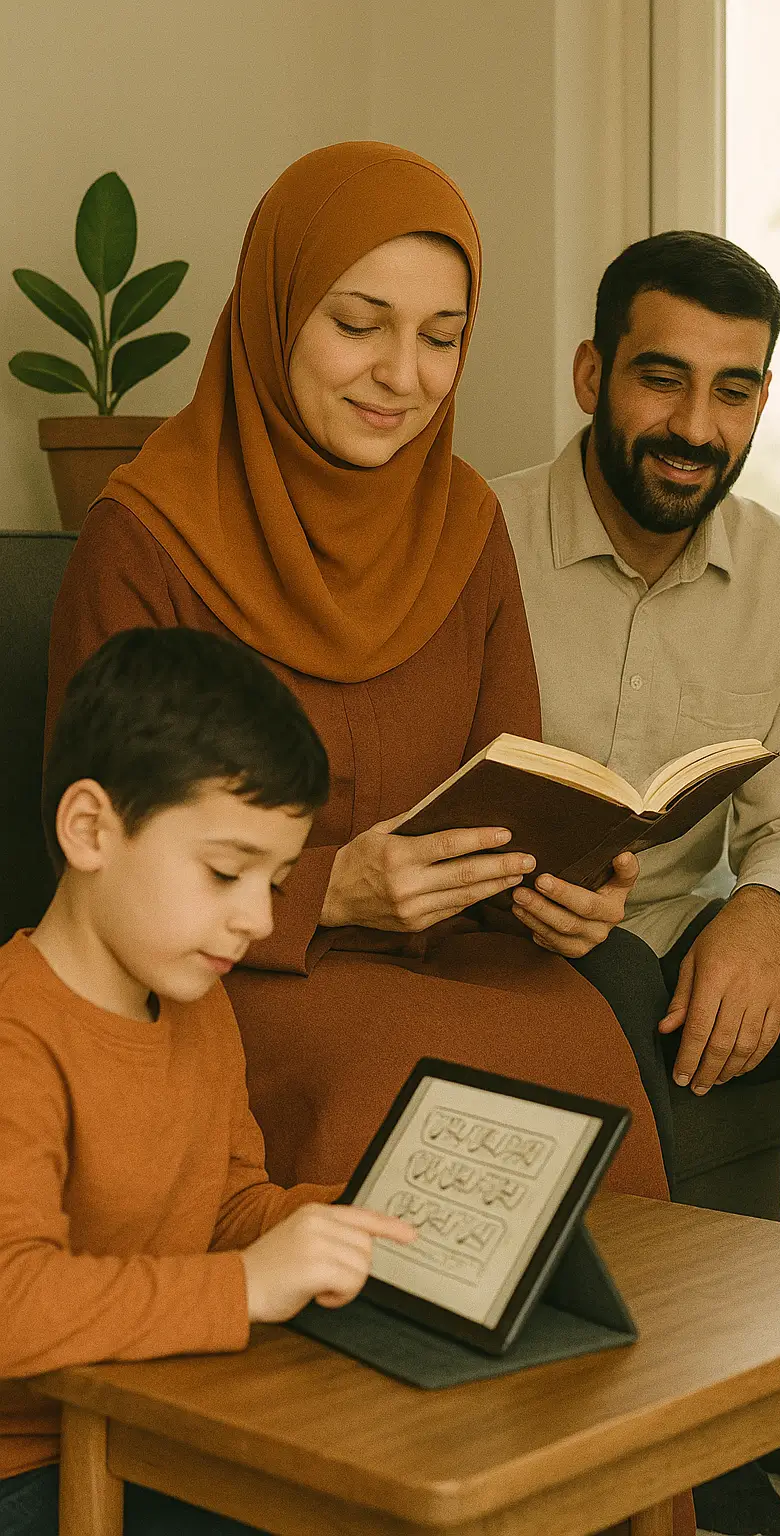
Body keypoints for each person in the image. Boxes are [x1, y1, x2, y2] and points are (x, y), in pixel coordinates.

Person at [44, 143, 668, 1207]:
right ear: (275, 309)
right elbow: (110, 857)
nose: (402, 375)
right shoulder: (143, 535)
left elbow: (507, 779)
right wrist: (330, 890)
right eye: (356, 323)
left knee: (580, 1043)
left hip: (451, 956)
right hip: (235, 969)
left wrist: (560, 889)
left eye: (441, 338)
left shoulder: (468, 524)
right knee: (386, 1077)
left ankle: (623, 1377)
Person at [493, 232, 780, 1536]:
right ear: (593, 372)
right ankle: (695, 1426)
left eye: (734, 390)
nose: (696, 426)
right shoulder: (480, 538)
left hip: (674, 945)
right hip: (516, 957)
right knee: (619, 961)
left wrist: (761, 912)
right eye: (662, 379)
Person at [0, 627, 417, 1536]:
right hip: (30, 1467)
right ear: (90, 830)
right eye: (226, 873)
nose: (256, 920)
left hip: (162, 1419)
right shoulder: (14, 1039)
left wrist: (339, 1226)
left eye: (274, 882)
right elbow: (11, 1304)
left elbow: (223, 1207)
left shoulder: (194, 998)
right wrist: (245, 1288)